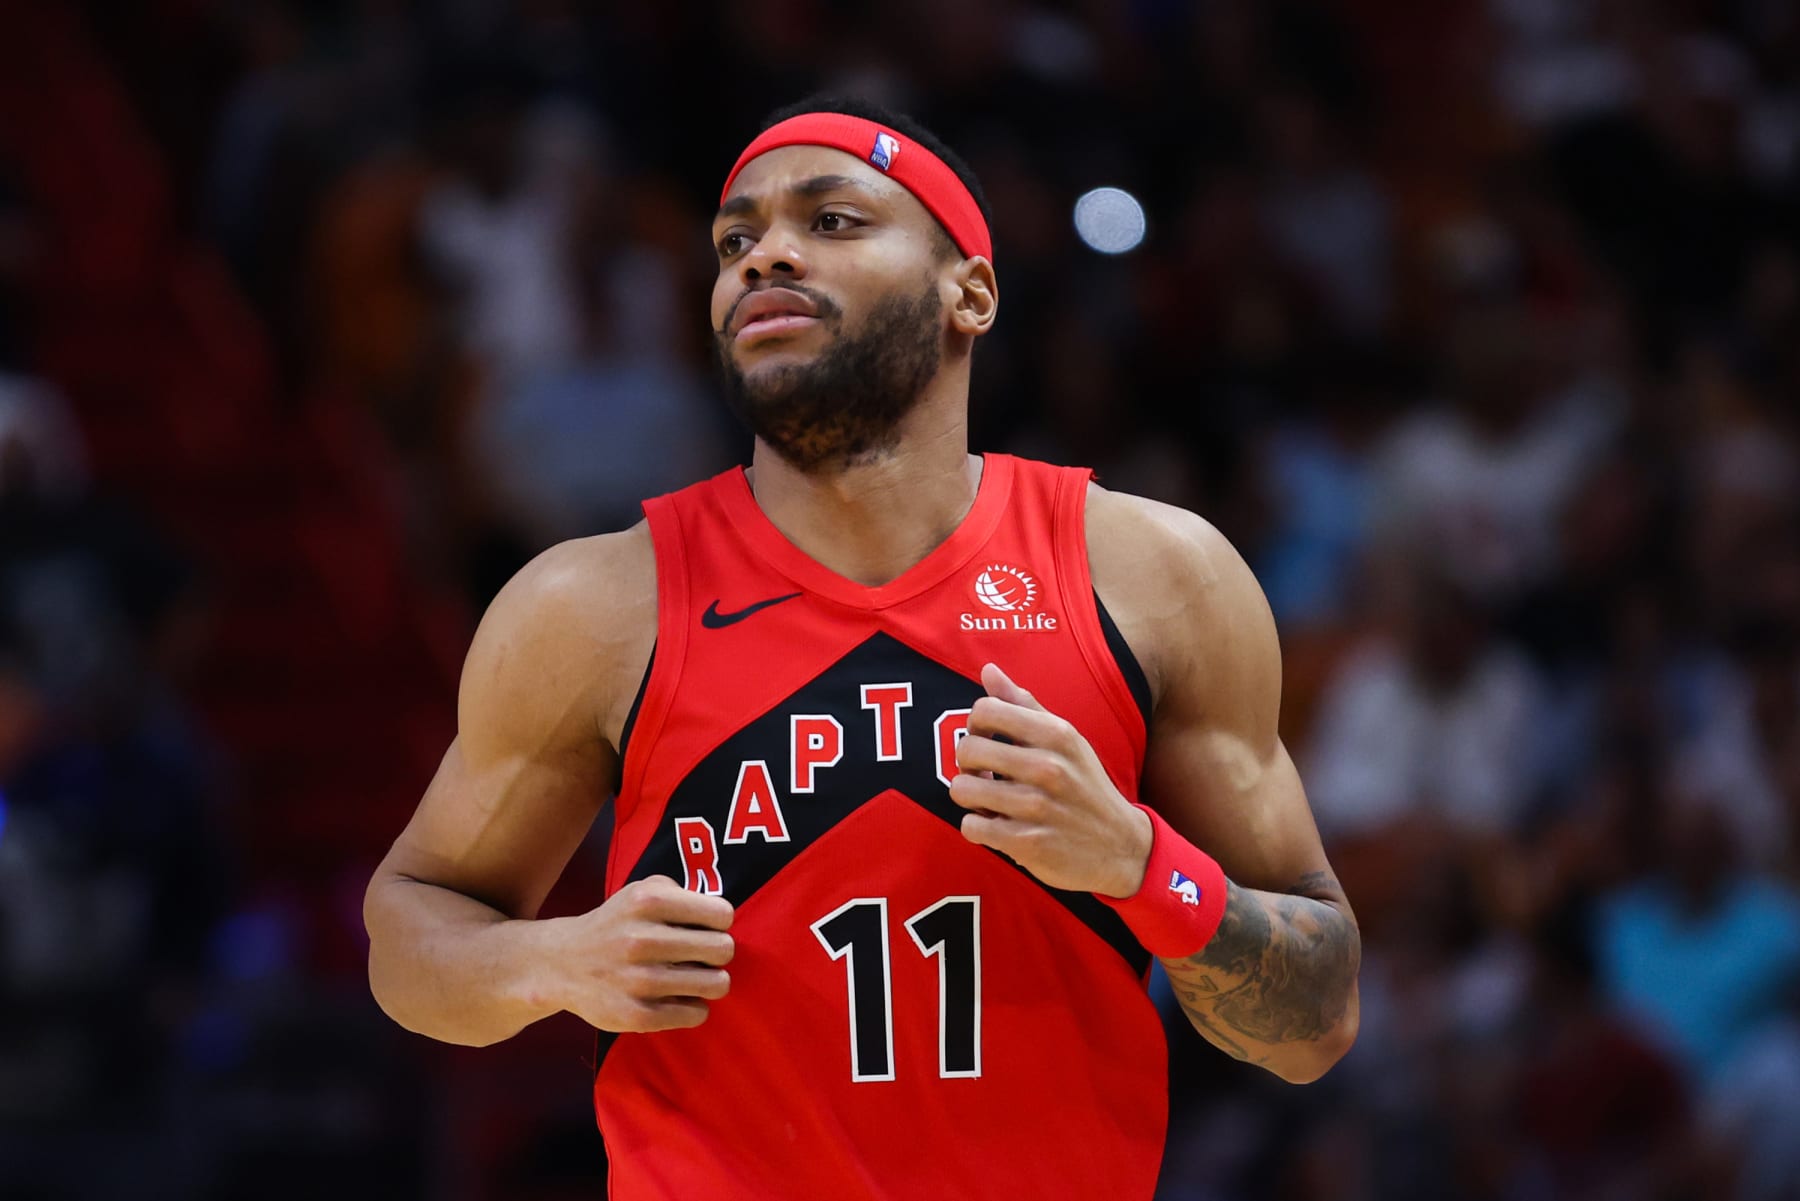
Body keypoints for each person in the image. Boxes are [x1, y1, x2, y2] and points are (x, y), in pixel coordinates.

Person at [364, 95, 1361, 1200]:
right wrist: (551, 959)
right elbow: (411, 929)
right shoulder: (593, 605)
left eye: (831, 220)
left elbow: (1316, 1019)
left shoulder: (1155, 578)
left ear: (969, 293)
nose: (764, 256)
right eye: (734, 241)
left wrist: (1140, 862)